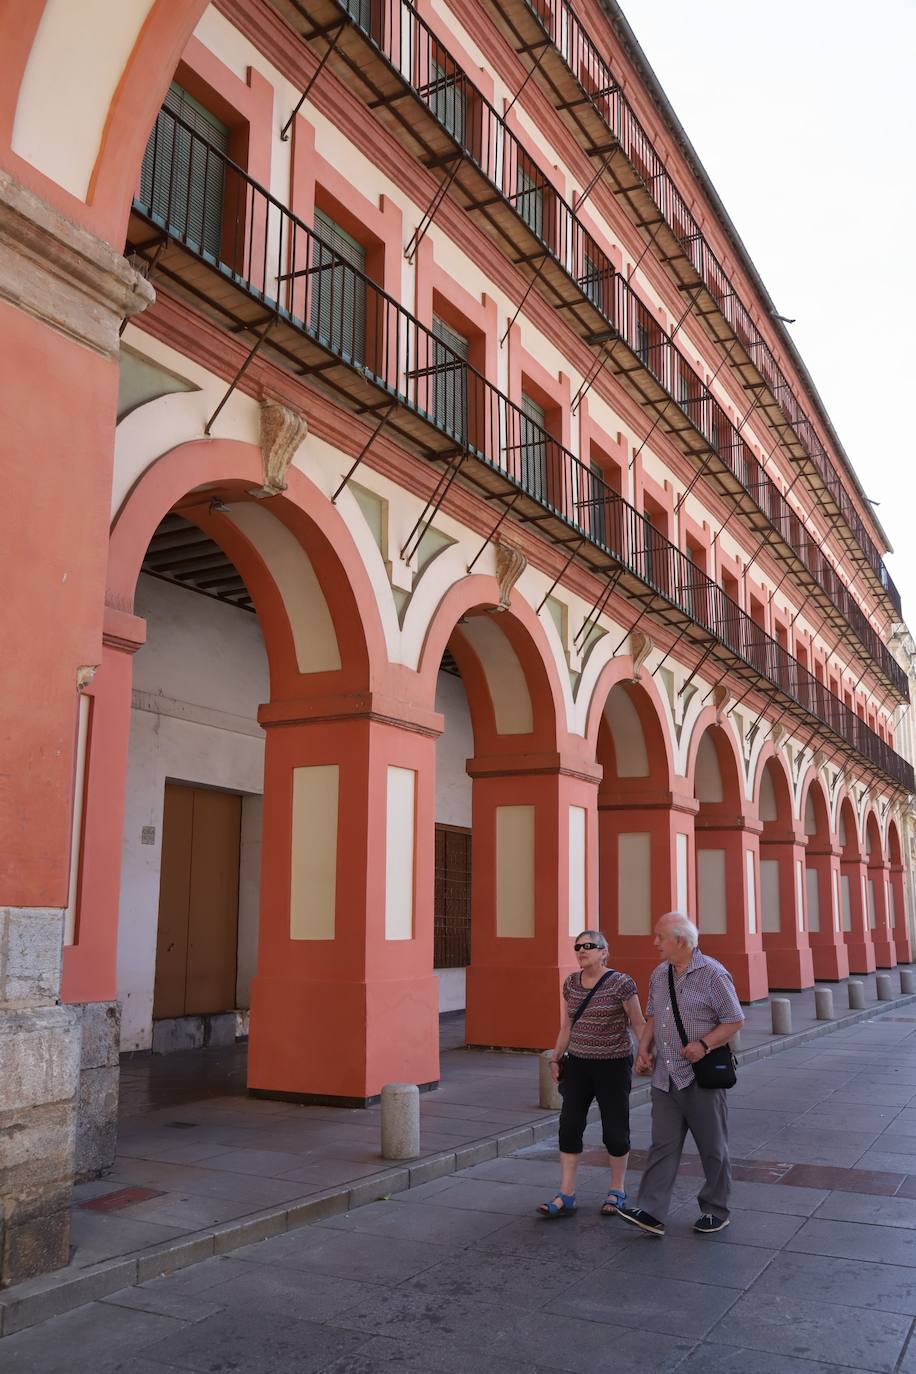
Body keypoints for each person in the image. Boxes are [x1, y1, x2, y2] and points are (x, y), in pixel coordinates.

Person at [617, 912, 744, 1238]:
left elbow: (734, 1020)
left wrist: (704, 1044)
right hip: (666, 1076)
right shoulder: (660, 974)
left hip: (701, 1077)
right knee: (663, 1145)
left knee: (713, 1147)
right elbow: (652, 1015)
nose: (654, 943)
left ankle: (716, 1210)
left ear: (680, 941)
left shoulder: (714, 975)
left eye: (660, 937)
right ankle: (652, 1211)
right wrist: (643, 1049)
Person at [537, 930, 645, 1218]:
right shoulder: (571, 983)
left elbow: (637, 1022)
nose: (582, 950)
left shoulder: (621, 983)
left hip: (613, 1064)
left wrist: (647, 1054)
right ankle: (567, 1193)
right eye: (578, 947)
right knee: (569, 1126)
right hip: (578, 1065)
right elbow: (567, 1025)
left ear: (604, 951)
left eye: (589, 946)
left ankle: (617, 1189)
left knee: (615, 1129)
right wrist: (556, 1056)